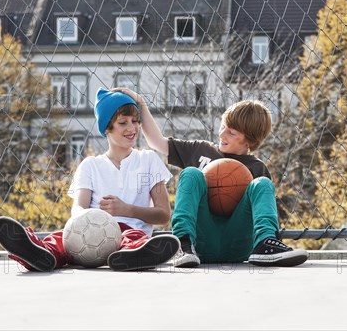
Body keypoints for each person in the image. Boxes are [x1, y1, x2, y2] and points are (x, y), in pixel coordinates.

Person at [113, 87, 308, 268]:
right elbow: (157, 142)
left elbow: (259, 211)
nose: (222, 134)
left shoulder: (257, 168)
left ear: (249, 140)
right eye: (223, 126)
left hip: (238, 243)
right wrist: (141, 104)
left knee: (263, 184)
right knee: (190, 173)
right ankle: (182, 243)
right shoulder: (202, 150)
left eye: (231, 133)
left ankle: (266, 244)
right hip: (201, 241)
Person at [0, 88, 180, 272]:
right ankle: (40, 254)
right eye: (123, 123)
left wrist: (127, 210)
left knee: (132, 238)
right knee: (61, 238)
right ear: (107, 128)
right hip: (90, 235)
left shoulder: (148, 160)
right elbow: (78, 208)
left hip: (131, 231)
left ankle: (134, 256)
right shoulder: (90, 165)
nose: (132, 128)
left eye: (135, 121)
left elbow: (163, 215)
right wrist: (89, 221)